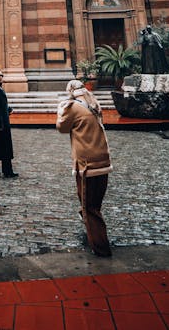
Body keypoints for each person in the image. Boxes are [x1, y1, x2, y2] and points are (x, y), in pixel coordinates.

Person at [56, 79, 112, 257]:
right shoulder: (94, 103)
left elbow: (62, 127)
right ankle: (86, 217)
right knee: (94, 202)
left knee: (90, 207)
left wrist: (62, 108)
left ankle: (101, 247)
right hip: (103, 159)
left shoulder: (72, 107)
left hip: (86, 164)